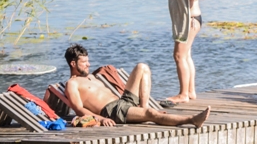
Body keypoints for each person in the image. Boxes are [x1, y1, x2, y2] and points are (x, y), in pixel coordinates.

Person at [63, 44, 210, 127]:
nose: (88, 64)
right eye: (84, 62)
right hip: (112, 111)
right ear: (73, 64)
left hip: (122, 101)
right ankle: (192, 119)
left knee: (142, 67)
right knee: (151, 115)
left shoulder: (90, 76)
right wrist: (100, 119)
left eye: (88, 61)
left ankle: (143, 106)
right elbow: (78, 109)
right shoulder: (72, 84)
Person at [157, 0, 207, 105]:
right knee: (186, 56)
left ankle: (183, 94)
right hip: (182, 19)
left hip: (192, 19)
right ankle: (191, 92)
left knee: (178, 55)